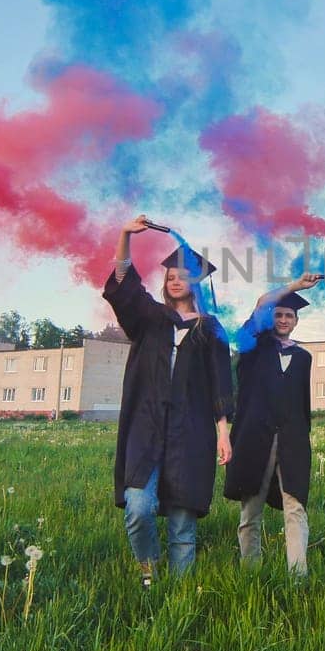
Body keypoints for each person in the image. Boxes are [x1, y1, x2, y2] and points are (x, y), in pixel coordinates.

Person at [104, 216, 234, 585]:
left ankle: (178, 598)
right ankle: (148, 567)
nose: (175, 279)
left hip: (191, 432)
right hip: (146, 427)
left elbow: (220, 383)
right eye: (171, 275)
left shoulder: (209, 328)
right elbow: (123, 287)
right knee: (138, 507)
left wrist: (223, 434)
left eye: (184, 274)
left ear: (197, 282)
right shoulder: (151, 319)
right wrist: (125, 234)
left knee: (182, 523)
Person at [223, 274, 322, 575]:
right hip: (255, 440)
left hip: (292, 442)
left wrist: (302, 437)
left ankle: (298, 576)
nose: (283, 319)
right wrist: (293, 287)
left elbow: (302, 403)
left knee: (296, 508)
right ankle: (250, 571)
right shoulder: (252, 347)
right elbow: (260, 303)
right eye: (278, 314)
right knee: (251, 511)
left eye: (288, 315)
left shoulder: (303, 357)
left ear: (296, 321)